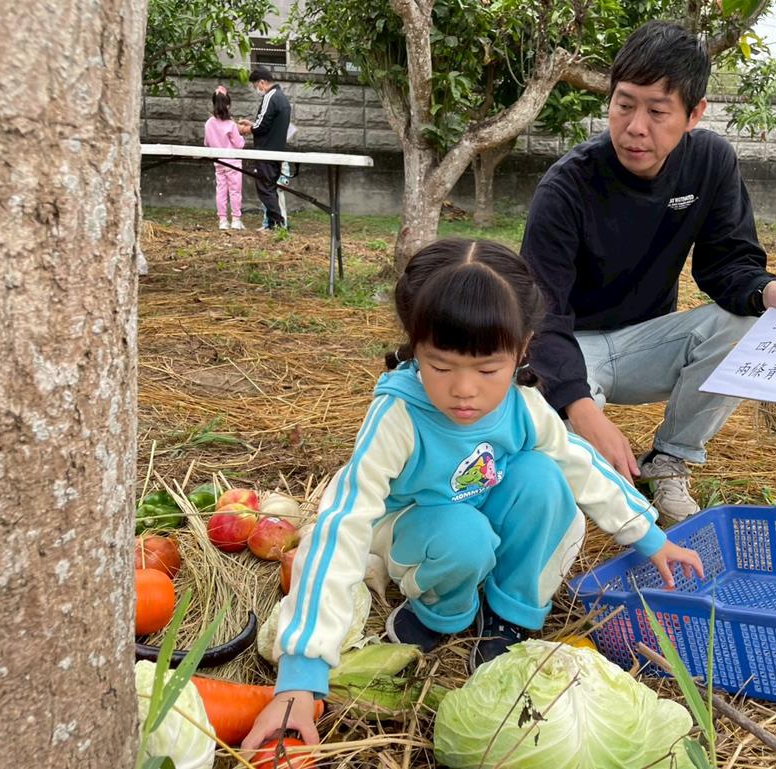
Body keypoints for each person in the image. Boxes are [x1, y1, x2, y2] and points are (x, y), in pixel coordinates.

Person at [241, 238, 704, 749]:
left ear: (522, 349)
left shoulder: (522, 403)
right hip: (417, 527)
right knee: (463, 535)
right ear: (415, 346)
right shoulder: (398, 416)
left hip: (477, 511)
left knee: (545, 477)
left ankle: (509, 615)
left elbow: (581, 464)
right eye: (441, 366)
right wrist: (302, 671)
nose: (464, 390)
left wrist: (648, 536)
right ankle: (440, 612)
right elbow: (343, 523)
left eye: (487, 370)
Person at [520, 21, 776, 525]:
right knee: (566, 475)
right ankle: (577, 440)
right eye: (624, 105)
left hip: (648, 341)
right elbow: (539, 316)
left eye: (657, 112)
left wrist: (767, 290)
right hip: (572, 347)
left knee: (747, 323)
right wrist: (582, 410)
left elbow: (728, 261)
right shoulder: (566, 187)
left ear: (693, 114)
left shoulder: (710, 163)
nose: (636, 127)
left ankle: (670, 458)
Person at [238, 67, 292, 231]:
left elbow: (262, 125)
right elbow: (269, 124)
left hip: (266, 151)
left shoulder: (270, 97)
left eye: (256, 85)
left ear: (262, 82)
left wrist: (246, 129)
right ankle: (272, 224)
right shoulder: (282, 98)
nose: (257, 89)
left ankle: (278, 223)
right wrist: (253, 124)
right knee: (270, 188)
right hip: (277, 151)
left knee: (265, 189)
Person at [203, 86, 245, 231]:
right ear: (228, 105)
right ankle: (236, 220)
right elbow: (239, 144)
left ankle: (222, 220)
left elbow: (207, 143)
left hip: (218, 162)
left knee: (221, 190)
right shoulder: (231, 124)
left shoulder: (209, 123)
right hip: (233, 162)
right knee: (235, 191)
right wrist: (241, 135)